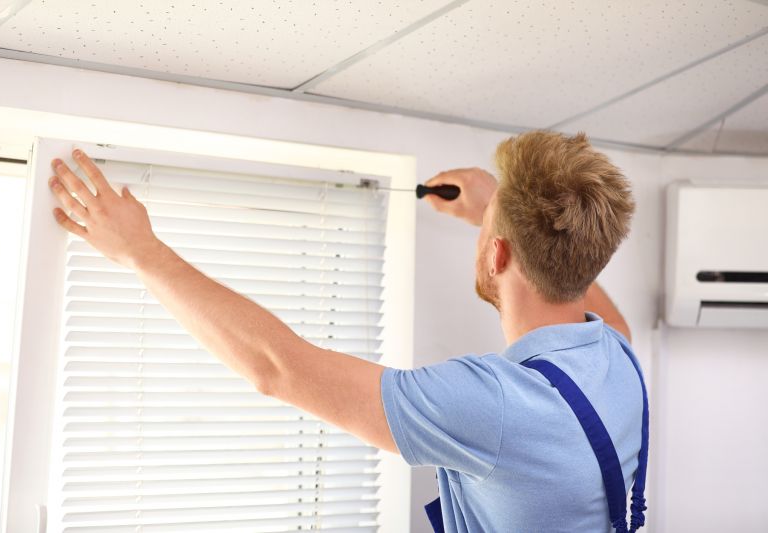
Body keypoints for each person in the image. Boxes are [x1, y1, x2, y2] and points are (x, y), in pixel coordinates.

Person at [48, 129, 648, 532]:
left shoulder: (491, 404)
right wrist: (491, 211)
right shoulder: (615, 359)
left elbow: (277, 367)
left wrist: (141, 253)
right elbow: (594, 299)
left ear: (496, 256)